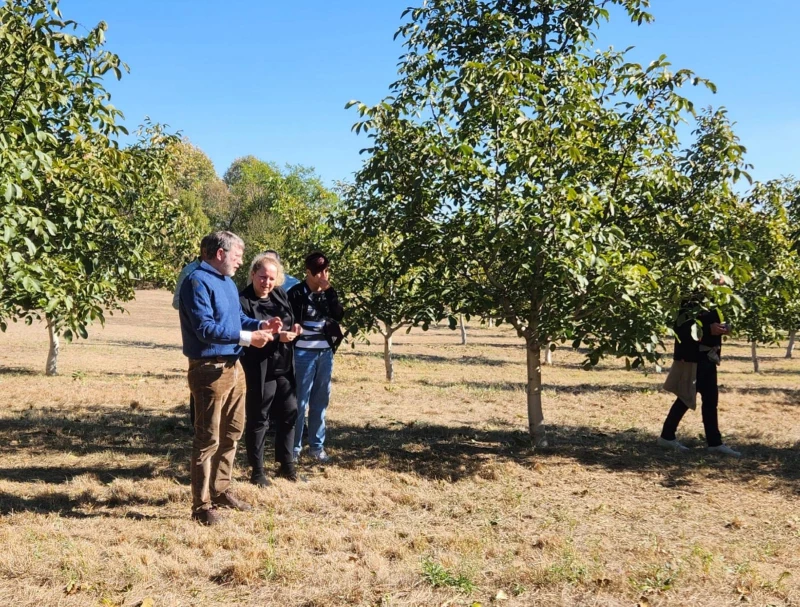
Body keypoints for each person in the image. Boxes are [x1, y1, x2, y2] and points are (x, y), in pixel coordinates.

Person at [178, 231, 282, 525]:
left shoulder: (226, 282)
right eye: (237, 256)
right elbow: (205, 329)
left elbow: (236, 320)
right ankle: (201, 507)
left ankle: (221, 489)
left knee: (232, 433)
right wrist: (249, 337)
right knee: (207, 438)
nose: (240, 262)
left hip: (234, 366)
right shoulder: (196, 281)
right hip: (209, 369)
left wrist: (261, 323)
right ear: (220, 254)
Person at [240, 253, 303, 485]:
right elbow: (250, 335)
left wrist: (295, 330)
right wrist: (278, 337)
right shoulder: (244, 301)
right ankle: (257, 471)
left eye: (271, 278)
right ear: (253, 275)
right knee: (259, 418)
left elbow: (289, 321)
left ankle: (286, 466)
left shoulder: (280, 294)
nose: (266, 282)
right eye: (262, 277)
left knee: (289, 413)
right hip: (259, 366)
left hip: (284, 365)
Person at [659, 291, 741, 457]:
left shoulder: (713, 301)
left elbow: (714, 325)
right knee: (685, 397)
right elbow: (681, 329)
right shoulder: (690, 301)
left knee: (711, 400)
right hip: (693, 358)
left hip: (708, 358)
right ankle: (667, 436)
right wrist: (708, 329)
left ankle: (714, 442)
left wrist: (723, 328)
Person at [288, 252, 344, 463]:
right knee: (300, 402)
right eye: (318, 272)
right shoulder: (296, 293)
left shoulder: (328, 292)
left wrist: (330, 291)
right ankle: (294, 448)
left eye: (326, 270)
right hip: (302, 352)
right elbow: (289, 319)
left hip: (325, 352)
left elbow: (339, 315)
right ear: (308, 272)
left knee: (320, 401)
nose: (323, 275)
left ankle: (317, 447)